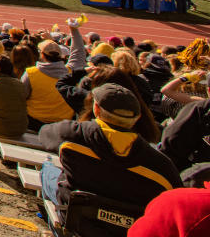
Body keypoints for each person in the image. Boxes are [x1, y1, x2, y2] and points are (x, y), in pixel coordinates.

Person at [38, 84, 181, 229]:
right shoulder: (162, 166)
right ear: (137, 118)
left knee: (48, 168)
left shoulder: (72, 133)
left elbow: (43, 134)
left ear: (96, 109)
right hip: (124, 230)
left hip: (77, 223)